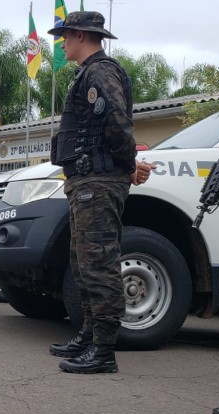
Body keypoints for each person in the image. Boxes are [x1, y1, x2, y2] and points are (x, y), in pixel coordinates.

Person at [45, 11, 138, 374]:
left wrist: (127, 166)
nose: (62, 42)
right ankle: (88, 335)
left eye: (66, 35)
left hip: (98, 182)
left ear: (82, 35)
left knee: (99, 263)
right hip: (87, 180)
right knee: (84, 263)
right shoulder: (89, 73)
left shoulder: (100, 71)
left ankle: (104, 349)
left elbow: (117, 121)